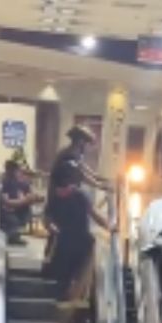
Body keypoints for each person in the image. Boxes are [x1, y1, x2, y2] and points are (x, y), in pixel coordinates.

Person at [45, 125, 113, 309]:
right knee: (79, 248)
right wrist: (110, 226)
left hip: (67, 217)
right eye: (87, 143)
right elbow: (83, 177)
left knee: (71, 248)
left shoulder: (72, 157)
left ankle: (65, 288)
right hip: (67, 216)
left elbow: (86, 173)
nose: (88, 147)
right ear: (80, 142)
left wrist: (101, 181)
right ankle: (66, 291)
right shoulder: (69, 161)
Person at [0, 150, 42, 246]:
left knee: (25, 213)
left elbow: (31, 194)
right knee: (10, 218)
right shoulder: (4, 182)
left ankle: (15, 233)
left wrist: (35, 197)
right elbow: (6, 202)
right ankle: (10, 234)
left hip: (17, 210)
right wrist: (23, 201)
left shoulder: (23, 183)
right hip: (4, 211)